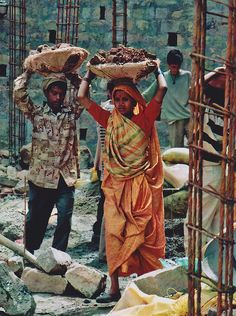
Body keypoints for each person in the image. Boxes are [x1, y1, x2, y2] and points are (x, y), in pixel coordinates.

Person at [77, 67, 167, 303]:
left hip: (138, 189)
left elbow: (163, 88)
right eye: (116, 99)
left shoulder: (145, 119)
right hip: (115, 189)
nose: (120, 104)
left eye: (125, 99)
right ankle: (114, 289)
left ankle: (146, 289)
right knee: (114, 235)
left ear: (134, 99)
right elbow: (82, 98)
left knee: (143, 237)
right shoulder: (109, 119)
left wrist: (157, 69)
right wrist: (89, 74)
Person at [13, 70, 83, 254]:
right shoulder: (36, 113)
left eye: (61, 93)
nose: (58, 97)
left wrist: (73, 75)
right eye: (54, 93)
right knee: (36, 218)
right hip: (41, 178)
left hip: (65, 177)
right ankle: (29, 252)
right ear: (46, 93)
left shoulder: (71, 113)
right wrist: (28, 72)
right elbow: (19, 94)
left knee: (65, 219)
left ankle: (58, 256)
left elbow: (84, 93)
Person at [184, 67, 226, 252]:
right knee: (216, 224)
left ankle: (193, 261)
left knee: (196, 221)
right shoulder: (227, 115)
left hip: (209, 170)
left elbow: (193, 90)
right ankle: (211, 266)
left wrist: (214, 74)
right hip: (221, 171)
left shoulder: (210, 115)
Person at [143, 49, 191, 147]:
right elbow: (147, 95)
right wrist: (132, 100)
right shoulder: (163, 78)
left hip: (189, 117)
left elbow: (196, 93)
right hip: (173, 119)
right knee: (176, 149)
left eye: (177, 67)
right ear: (169, 65)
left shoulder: (187, 76)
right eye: (172, 66)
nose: (175, 69)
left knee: (197, 148)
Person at [91, 81, 114, 257]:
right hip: (109, 165)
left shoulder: (103, 109)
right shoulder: (108, 110)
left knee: (103, 202)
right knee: (107, 203)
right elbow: (102, 142)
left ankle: (98, 236)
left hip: (104, 164)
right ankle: (102, 241)